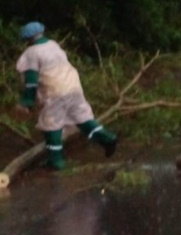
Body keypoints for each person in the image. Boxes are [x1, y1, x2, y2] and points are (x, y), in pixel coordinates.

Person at [15, 22, 117, 170]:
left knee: (52, 125)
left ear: (27, 39)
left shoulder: (31, 53)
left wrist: (27, 101)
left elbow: (31, 81)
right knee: (82, 119)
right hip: (73, 85)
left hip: (54, 90)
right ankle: (108, 139)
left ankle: (56, 162)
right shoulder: (53, 45)